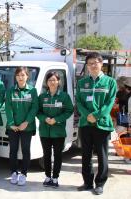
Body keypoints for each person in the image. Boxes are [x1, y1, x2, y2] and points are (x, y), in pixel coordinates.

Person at [76, 52, 117, 195]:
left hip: (102, 124)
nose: (93, 65)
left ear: (101, 64)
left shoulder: (110, 82)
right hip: (85, 124)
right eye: (90, 63)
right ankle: (87, 182)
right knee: (86, 155)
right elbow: (79, 102)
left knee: (102, 155)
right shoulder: (81, 83)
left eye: (96, 62)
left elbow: (110, 102)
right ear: (87, 66)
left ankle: (100, 183)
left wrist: (97, 115)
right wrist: (88, 115)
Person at [37, 71, 73, 188]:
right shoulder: (42, 97)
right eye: (50, 80)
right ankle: (48, 177)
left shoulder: (64, 96)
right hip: (45, 131)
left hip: (58, 132)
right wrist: (45, 118)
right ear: (46, 82)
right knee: (46, 155)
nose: (52, 82)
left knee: (58, 155)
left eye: (54, 80)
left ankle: (56, 178)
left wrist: (56, 119)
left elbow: (69, 110)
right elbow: (38, 111)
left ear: (59, 82)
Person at [5, 67, 38, 186]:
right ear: (15, 77)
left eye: (23, 75)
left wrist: (26, 122)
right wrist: (11, 123)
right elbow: (8, 108)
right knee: (13, 150)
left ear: (27, 77)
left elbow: (34, 108)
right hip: (13, 127)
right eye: (18, 75)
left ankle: (24, 174)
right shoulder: (10, 91)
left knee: (25, 150)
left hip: (27, 127)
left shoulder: (32, 91)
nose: (20, 77)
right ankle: (14, 172)